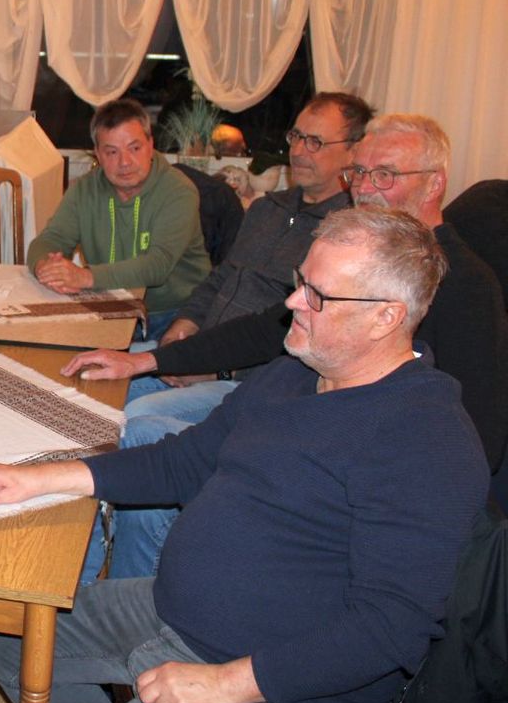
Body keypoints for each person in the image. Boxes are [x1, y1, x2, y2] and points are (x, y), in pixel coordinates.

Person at [0, 206, 489, 703]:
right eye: (300, 280)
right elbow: (184, 461)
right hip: (174, 611)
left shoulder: (428, 441)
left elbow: (391, 627)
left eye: (317, 295)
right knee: (14, 640)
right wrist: (42, 478)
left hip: (280, 696)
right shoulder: (295, 374)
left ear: (385, 318)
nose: (292, 301)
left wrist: (224, 685)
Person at [69, 114, 508, 516]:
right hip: (294, 415)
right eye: (358, 172)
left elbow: (478, 444)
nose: (364, 188)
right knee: (132, 418)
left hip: (335, 471)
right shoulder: (359, 261)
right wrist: (146, 360)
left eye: (385, 175)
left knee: (145, 432)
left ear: (434, 184)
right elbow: (266, 328)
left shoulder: (465, 286)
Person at [68, 94, 372, 580]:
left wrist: (214, 367)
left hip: (246, 379)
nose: (299, 150)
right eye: (296, 136)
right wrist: (186, 324)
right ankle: (78, 565)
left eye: (316, 141)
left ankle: (131, 581)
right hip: (199, 348)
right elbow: (220, 278)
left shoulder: (349, 235)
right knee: (85, 386)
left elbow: (291, 336)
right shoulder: (268, 208)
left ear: (354, 151)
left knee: (133, 417)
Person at [27, 98, 210, 342]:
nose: (124, 162)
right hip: (110, 308)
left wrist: (84, 277)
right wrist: (46, 268)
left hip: (174, 314)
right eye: (112, 152)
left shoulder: (178, 191)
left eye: (134, 148)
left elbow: (158, 265)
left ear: (150, 145)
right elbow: (51, 239)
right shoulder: (84, 190)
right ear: (98, 154)